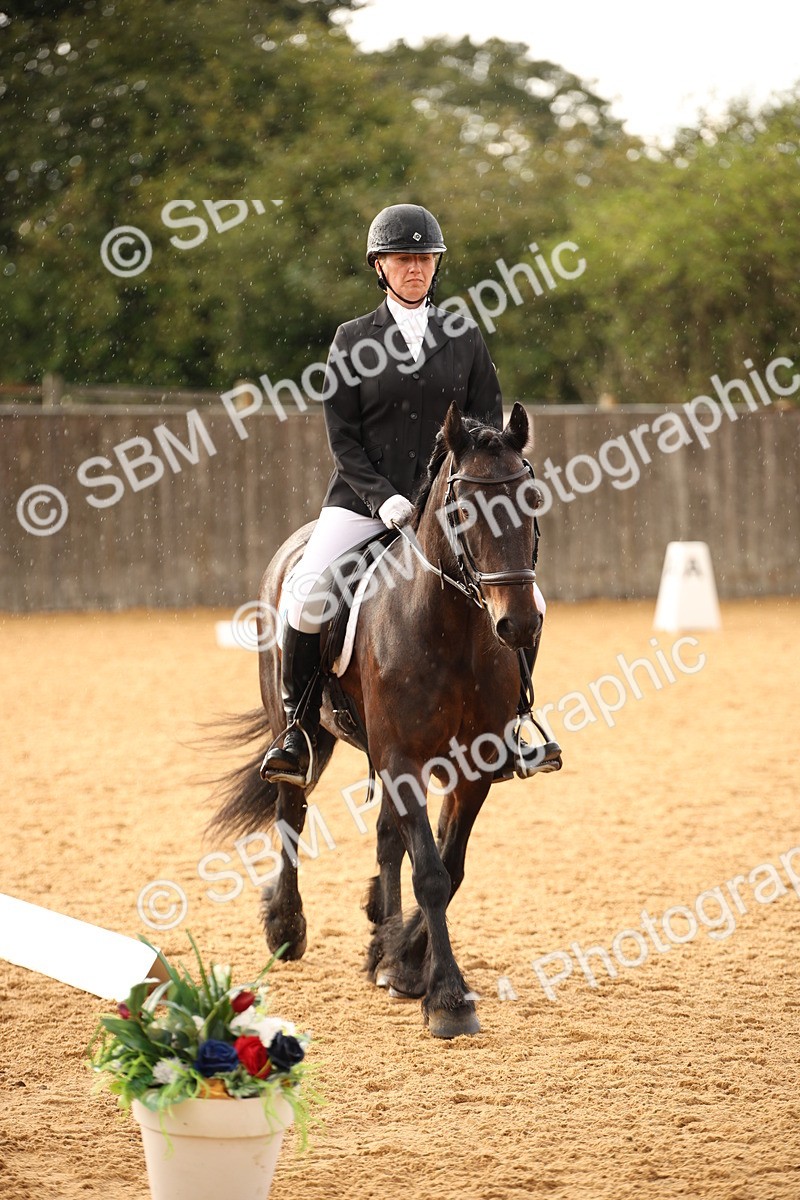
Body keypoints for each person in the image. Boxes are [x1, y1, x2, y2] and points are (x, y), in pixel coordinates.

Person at [261, 203, 559, 785]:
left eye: (424, 258)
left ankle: (516, 720)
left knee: (532, 604)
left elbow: (484, 426)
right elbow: (342, 437)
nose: (415, 268)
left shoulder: (463, 336)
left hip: (446, 509)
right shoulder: (352, 339)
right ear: (380, 267)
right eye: (403, 259)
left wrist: (452, 490)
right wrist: (381, 498)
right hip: (362, 501)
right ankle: (296, 729)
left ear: (435, 265)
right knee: (305, 594)